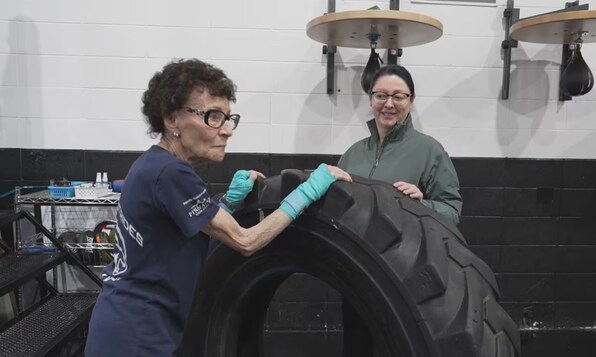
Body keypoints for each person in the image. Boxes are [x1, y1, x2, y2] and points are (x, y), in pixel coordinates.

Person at [84, 58, 352, 357]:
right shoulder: (171, 173)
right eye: (213, 116)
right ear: (172, 119)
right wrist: (307, 192)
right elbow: (245, 241)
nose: (227, 130)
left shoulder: (152, 165)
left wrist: (229, 201)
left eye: (228, 118)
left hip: (124, 323)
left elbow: (185, 227)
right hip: (137, 335)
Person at [337, 64, 462, 356]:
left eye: (398, 96)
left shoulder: (430, 150)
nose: (388, 104)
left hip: (406, 279)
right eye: (380, 95)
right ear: (370, 99)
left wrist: (422, 205)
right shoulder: (353, 153)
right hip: (357, 274)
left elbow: (452, 210)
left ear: (411, 100)